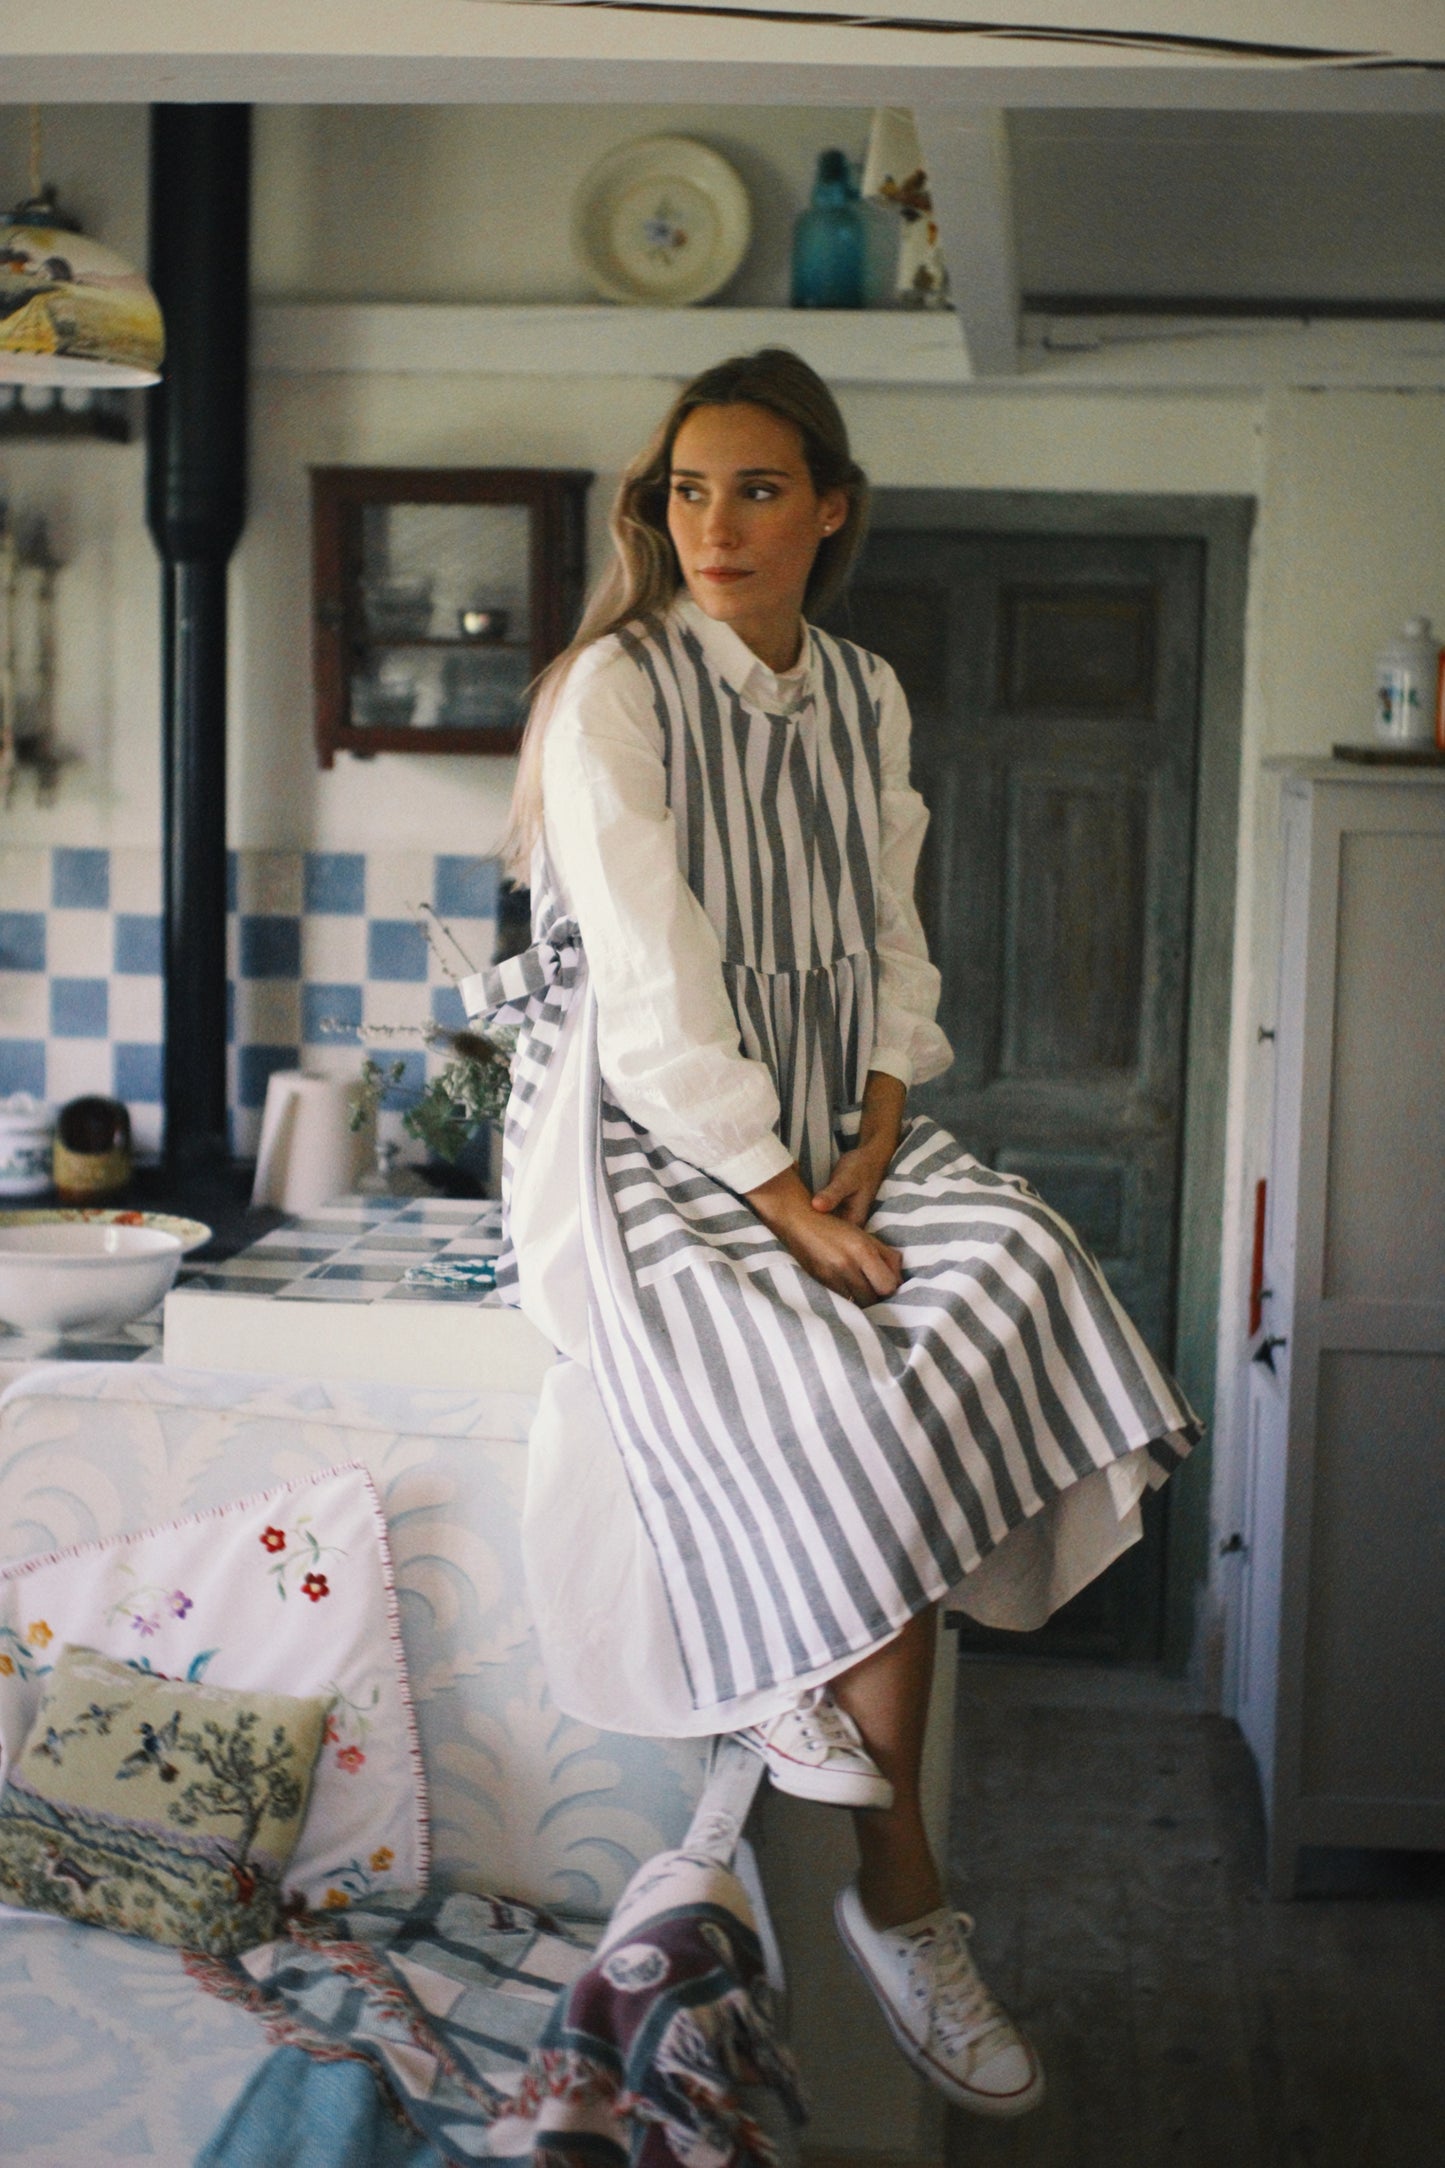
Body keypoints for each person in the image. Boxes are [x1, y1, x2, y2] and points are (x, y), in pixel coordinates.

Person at [467, 348, 1199, 2122]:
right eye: (686, 493)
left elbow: (887, 930)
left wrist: (874, 1128)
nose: (715, 526)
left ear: (830, 509)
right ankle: (900, 1892)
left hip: (820, 1117)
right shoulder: (611, 691)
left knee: (1019, 1265)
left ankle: (819, 1693)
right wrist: (778, 1204)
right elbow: (644, 987)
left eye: (758, 490)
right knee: (837, 1377)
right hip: (638, 1132)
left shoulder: (863, 693)